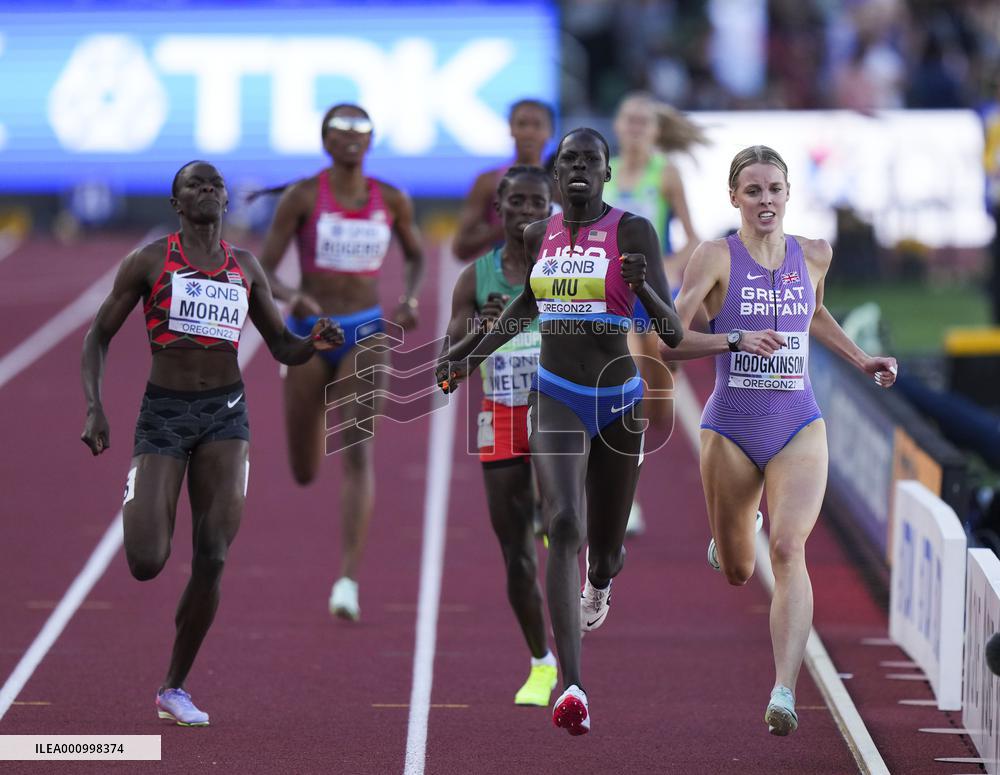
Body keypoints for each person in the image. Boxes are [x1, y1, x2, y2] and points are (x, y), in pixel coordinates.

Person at [437, 129, 685, 735]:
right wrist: (466, 357)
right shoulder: (537, 235)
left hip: (619, 402)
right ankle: (572, 686)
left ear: (605, 173)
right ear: (556, 176)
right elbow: (526, 305)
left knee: (607, 551)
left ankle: (599, 583)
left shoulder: (633, 231)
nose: (578, 168)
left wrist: (642, 286)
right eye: (568, 159)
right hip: (554, 397)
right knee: (562, 524)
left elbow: (673, 332)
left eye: (589, 160)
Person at [80, 161, 344, 726]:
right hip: (164, 416)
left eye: (214, 184)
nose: (206, 190)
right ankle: (144, 500)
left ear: (226, 199)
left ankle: (174, 686)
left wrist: (313, 344)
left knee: (214, 554)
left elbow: (281, 345)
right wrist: (95, 406)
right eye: (194, 185)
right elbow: (97, 335)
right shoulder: (150, 261)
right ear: (176, 203)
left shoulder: (245, 267)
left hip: (226, 416)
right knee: (146, 560)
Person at [665, 145, 898, 735]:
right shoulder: (714, 257)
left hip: (798, 422)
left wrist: (862, 359)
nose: (765, 200)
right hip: (732, 426)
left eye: (774, 189)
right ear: (734, 198)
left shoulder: (815, 253)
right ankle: (735, 531)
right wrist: (733, 339)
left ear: (789, 193)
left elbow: (814, 314)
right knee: (739, 570)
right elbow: (669, 340)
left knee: (790, 549)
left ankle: (784, 691)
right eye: (753, 191)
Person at [256, 104, 424, 622]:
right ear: (325, 140)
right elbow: (263, 270)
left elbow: (417, 254)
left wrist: (410, 299)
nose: (352, 138)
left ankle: (348, 579)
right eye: (341, 131)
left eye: (361, 131)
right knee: (305, 470)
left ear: (371, 141)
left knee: (356, 449)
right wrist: (294, 297)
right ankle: (311, 431)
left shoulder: (391, 199)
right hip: (310, 333)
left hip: (366, 331)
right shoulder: (303, 196)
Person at [440, 165, 556, 707]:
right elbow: (446, 375)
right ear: (500, 208)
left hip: (559, 415)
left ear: (551, 211)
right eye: (517, 203)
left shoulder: (566, 272)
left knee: (561, 525)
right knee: (517, 555)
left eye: (537, 204)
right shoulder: (475, 279)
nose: (527, 212)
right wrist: (478, 334)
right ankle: (541, 662)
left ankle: (582, 563)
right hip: (502, 417)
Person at [605, 92, 706, 534]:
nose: (634, 129)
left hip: (656, 295)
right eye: (628, 120)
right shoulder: (603, 172)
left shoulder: (665, 174)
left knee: (658, 407)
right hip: (614, 296)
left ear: (655, 131)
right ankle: (626, 500)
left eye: (642, 122)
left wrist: (668, 264)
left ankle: (643, 429)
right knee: (625, 385)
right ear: (617, 125)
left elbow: (693, 238)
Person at [452, 99, 555, 261]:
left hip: (550, 274)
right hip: (502, 274)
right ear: (510, 128)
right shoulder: (488, 182)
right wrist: (506, 228)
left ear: (550, 132)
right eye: (521, 124)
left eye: (537, 125)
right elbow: (460, 248)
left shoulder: (561, 184)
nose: (528, 132)